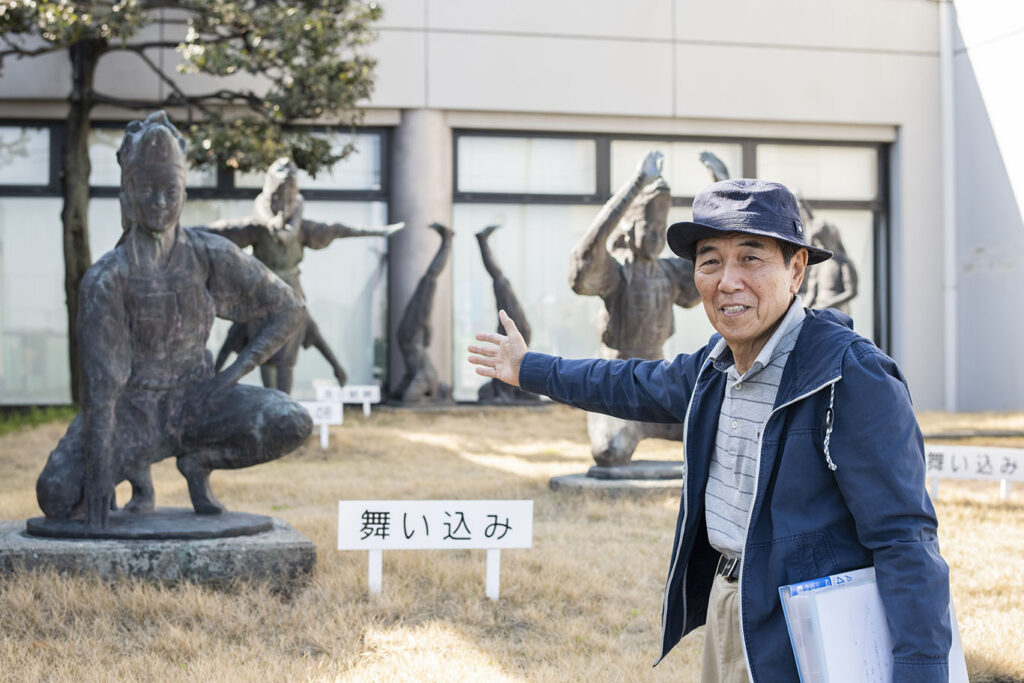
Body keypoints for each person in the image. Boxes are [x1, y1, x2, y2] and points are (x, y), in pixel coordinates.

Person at [468, 178, 951, 681]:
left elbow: (904, 537)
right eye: (710, 261)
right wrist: (528, 368)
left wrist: (921, 669)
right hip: (728, 597)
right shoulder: (714, 367)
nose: (727, 281)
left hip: (807, 617)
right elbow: (627, 383)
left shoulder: (850, 375)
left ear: (796, 270)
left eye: (751, 258)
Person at [36, 111, 313, 528]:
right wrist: (98, 475)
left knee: (291, 420)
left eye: (171, 191)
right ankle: (137, 471)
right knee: (56, 494)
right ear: (128, 195)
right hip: (131, 412)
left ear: (183, 193)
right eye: (148, 190)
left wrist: (236, 371)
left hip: (198, 400)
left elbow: (289, 307)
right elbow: (101, 391)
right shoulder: (106, 279)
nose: (160, 202)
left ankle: (198, 463)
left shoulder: (207, 253)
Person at [203, 157, 403, 394]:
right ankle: (217, 384)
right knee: (254, 347)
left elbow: (339, 229)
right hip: (261, 294)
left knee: (293, 347)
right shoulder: (257, 227)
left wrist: (378, 232)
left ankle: (302, 391)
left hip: (291, 292)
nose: (282, 203)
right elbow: (220, 230)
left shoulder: (302, 228)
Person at [568, 150, 700, 465]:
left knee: (713, 427)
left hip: (660, 381)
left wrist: (725, 190)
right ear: (629, 231)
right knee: (609, 452)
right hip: (616, 382)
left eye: (660, 230)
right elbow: (587, 255)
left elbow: (711, 268)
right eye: (648, 228)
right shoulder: (616, 273)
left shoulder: (669, 273)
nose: (655, 238)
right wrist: (637, 183)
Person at [475, 223, 538, 404]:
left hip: (516, 332)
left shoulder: (511, 374)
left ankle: (482, 241)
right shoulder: (507, 375)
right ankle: (482, 240)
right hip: (515, 329)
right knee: (500, 279)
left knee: (500, 279)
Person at [804, 221, 859, 315]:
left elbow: (851, 292)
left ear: (832, 239)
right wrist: (803, 310)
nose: (821, 244)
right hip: (818, 310)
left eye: (823, 240)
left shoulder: (843, 262)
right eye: (818, 241)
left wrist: (827, 304)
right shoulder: (819, 264)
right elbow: (811, 293)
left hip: (836, 312)